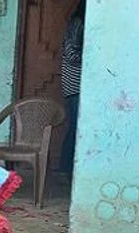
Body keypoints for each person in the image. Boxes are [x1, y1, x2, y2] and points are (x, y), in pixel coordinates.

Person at [60, 0, 84, 174]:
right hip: (75, 85)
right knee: (75, 127)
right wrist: (90, 56)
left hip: (75, 84)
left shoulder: (77, 24)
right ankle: (66, 169)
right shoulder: (77, 24)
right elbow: (71, 54)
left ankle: (67, 169)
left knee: (76, 127)